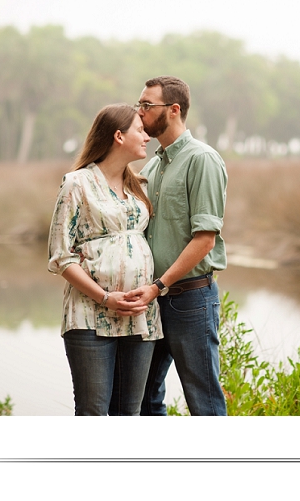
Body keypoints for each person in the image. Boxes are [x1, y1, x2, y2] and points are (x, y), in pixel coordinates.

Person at [47, 103, 161, 416]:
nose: (146, 135)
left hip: (140, 315)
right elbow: (61, 256)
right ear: (118, 136)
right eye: (140, 129)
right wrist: (106, 297)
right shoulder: (76, 184)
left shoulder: (139, 185)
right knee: (93, 413)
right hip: (89, 316)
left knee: (129, 414)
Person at [125, 76, 228, 416]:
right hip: (153, 300)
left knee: (204, 402)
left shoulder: (203, 160)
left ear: (173, 110)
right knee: (144, 399)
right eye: (139, 105)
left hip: (190, 301)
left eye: (146, 106)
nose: (139, 114)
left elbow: (205, 239)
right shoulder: (154, 163)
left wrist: (158, 286)